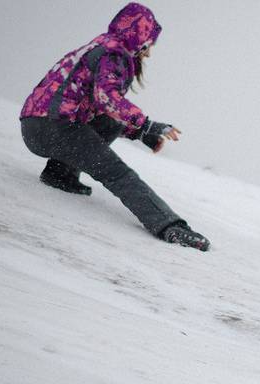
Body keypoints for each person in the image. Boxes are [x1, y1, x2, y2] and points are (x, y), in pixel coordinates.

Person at [18, 2, 209, 251]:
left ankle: (59, 173)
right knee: (116, 172)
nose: (148, 53)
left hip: (38, 126)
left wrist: (140, 133)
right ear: (138, 38)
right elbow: (107, 98)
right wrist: (148, 124)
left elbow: (101, 107)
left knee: (109, 123)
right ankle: (169, 226)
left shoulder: (103, 46)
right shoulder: (112, 53)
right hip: (53, 128)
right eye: (148, 45)